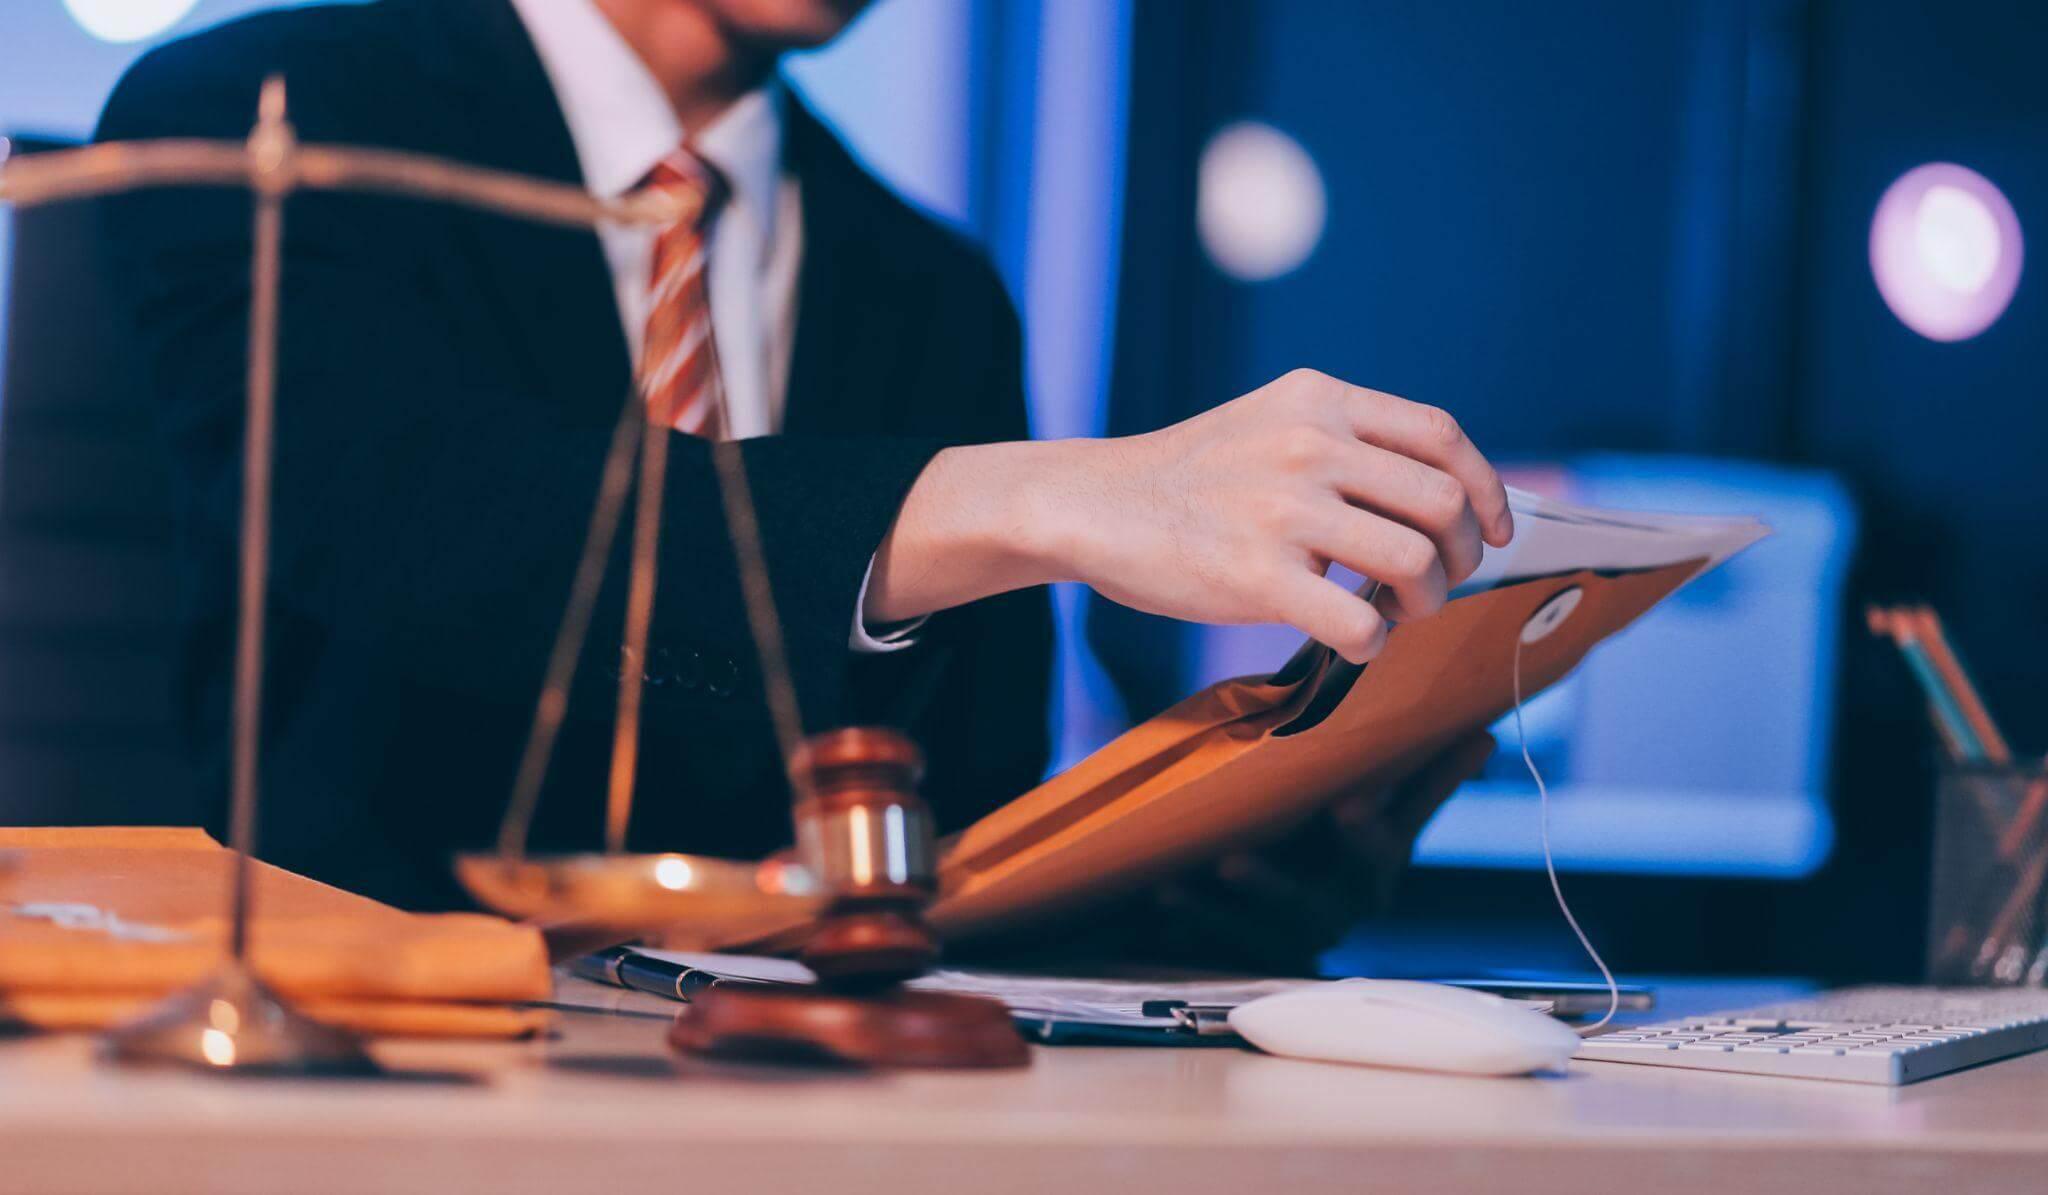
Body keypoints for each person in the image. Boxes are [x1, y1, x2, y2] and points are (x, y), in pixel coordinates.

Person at [96, 0, 1506, 966]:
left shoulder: (933, 288)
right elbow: (429, 522)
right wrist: (1017, 499)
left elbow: (960, 853)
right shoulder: (265, 110)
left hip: (791, 1110)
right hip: (359, 1063)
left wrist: (1240, 867)